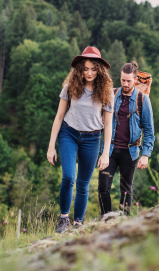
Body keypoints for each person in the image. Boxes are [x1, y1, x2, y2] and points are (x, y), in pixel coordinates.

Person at [46, 46, 114, 233]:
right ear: (79, 69)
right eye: (85, 68)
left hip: (92, 138)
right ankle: (63, 219)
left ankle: (77, 224)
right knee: (68, 177)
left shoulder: (107, 93)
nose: (89, 73)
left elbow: (108, 125)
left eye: (93, 68)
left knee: (84, 184)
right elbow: (59, 117)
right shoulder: (70, 87)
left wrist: (105, 153)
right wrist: (51, 146)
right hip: (69, 134)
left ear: (99, 69)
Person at [98, 61, 155, 216]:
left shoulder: (143, 100)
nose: (125, 83)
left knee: (126, 190)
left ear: (135, 79)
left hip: (130, 152)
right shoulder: (112, 94)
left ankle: (123, 222)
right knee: (103, 188)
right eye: (123, 80)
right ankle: (106, 219)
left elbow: (149, 130)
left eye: (129, 80)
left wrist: (145, 154)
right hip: (109, 149)